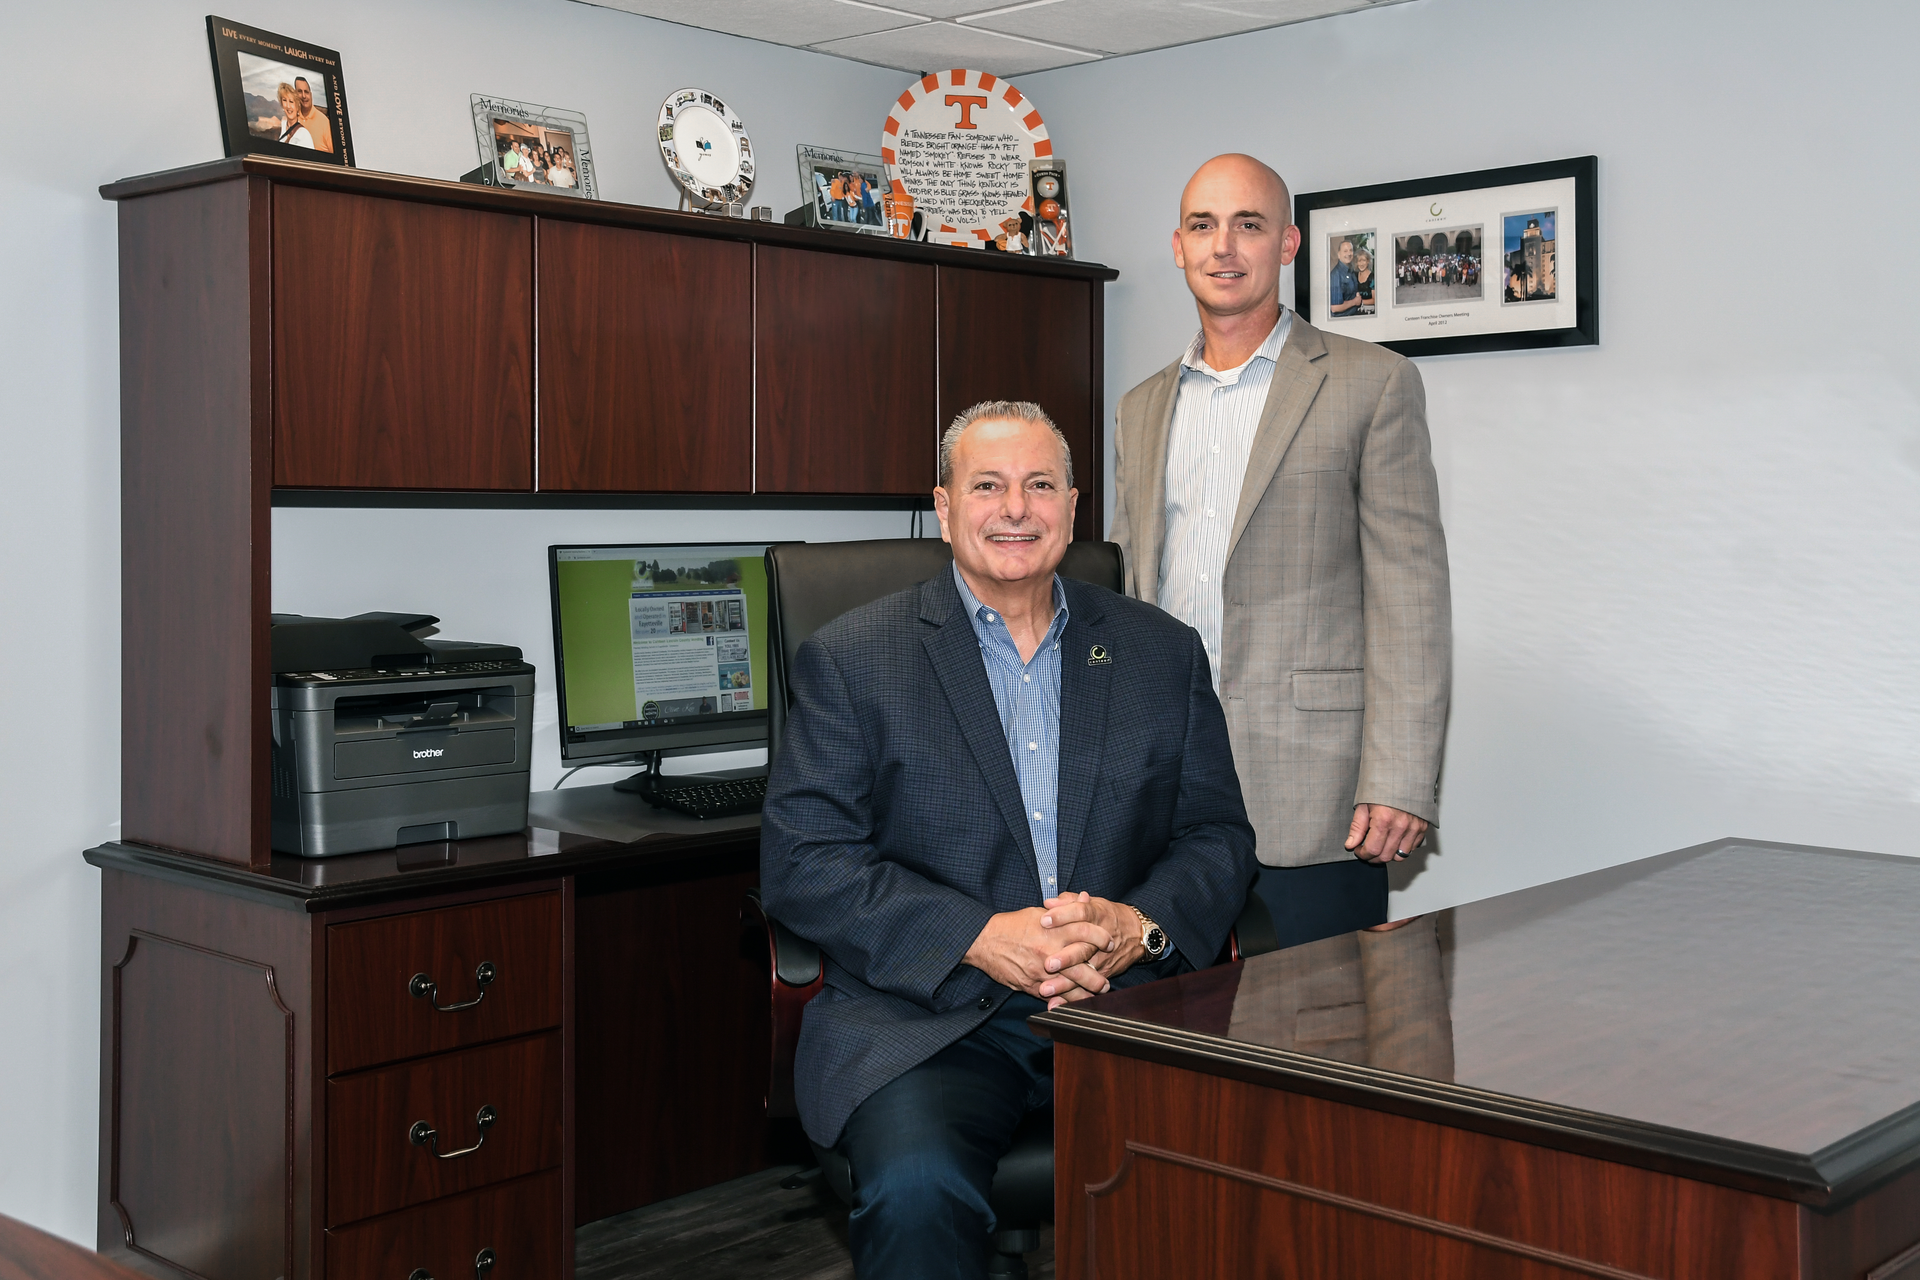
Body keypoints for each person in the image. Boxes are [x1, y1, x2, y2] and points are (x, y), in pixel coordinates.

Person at [761, 400, 1256, 1279]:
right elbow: (806, 865)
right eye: (987, 486)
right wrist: (980, 938)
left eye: (1039, 485)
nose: (1015, 508)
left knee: (1266, 1161)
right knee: (918, 1191)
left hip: (1127, 1008)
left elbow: (1216, 834)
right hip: (932, 1023)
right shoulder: (852, 660)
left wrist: (1133, 926)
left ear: (1072, 507)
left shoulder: (1159, 653)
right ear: (946, 508)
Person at [1110, 153, 1451, 951]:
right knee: (1177, 1038)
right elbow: (1126, 586)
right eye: (1204, 225)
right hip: (1162, 785)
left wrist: (1400, 777)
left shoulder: (1373, 383)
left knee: (1314, 1041)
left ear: (1289, 244)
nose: (1224, 247)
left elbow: (1413, 596)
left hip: (1315, 788)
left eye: (1248, 225)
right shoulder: (1140, 406)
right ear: (1178, 245)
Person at [292, 77, 333, 154]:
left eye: (306, 92)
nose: (304, 96)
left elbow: (337, 159)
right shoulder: (292, 119)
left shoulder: (325, 123)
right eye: (300, 91)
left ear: (310, 94)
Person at [1328, 237, 1361, 316]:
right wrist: (1355, 302)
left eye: (1350, 250)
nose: (1349, 254)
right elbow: (1334, 308)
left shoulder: (1351, 271)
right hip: (1343, 320)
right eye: (1345, 251)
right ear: (1339, 255)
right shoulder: (1335, 275)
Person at [275, 84, 313, 148]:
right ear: (281, 104)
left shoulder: (304, 134)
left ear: (297, 106)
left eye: (291, 101)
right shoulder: (283, 125)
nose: (288, 106)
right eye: (284, 100)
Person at [1354, 247, 1376, 314]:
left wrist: (1359, 301)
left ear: (1368, 261)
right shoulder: (1354, 275)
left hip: (1370, 312)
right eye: (1359, 261)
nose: (1361, 264)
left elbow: (1375, 300)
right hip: (1356, 311)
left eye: (1364, 260)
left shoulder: (1372, 277)